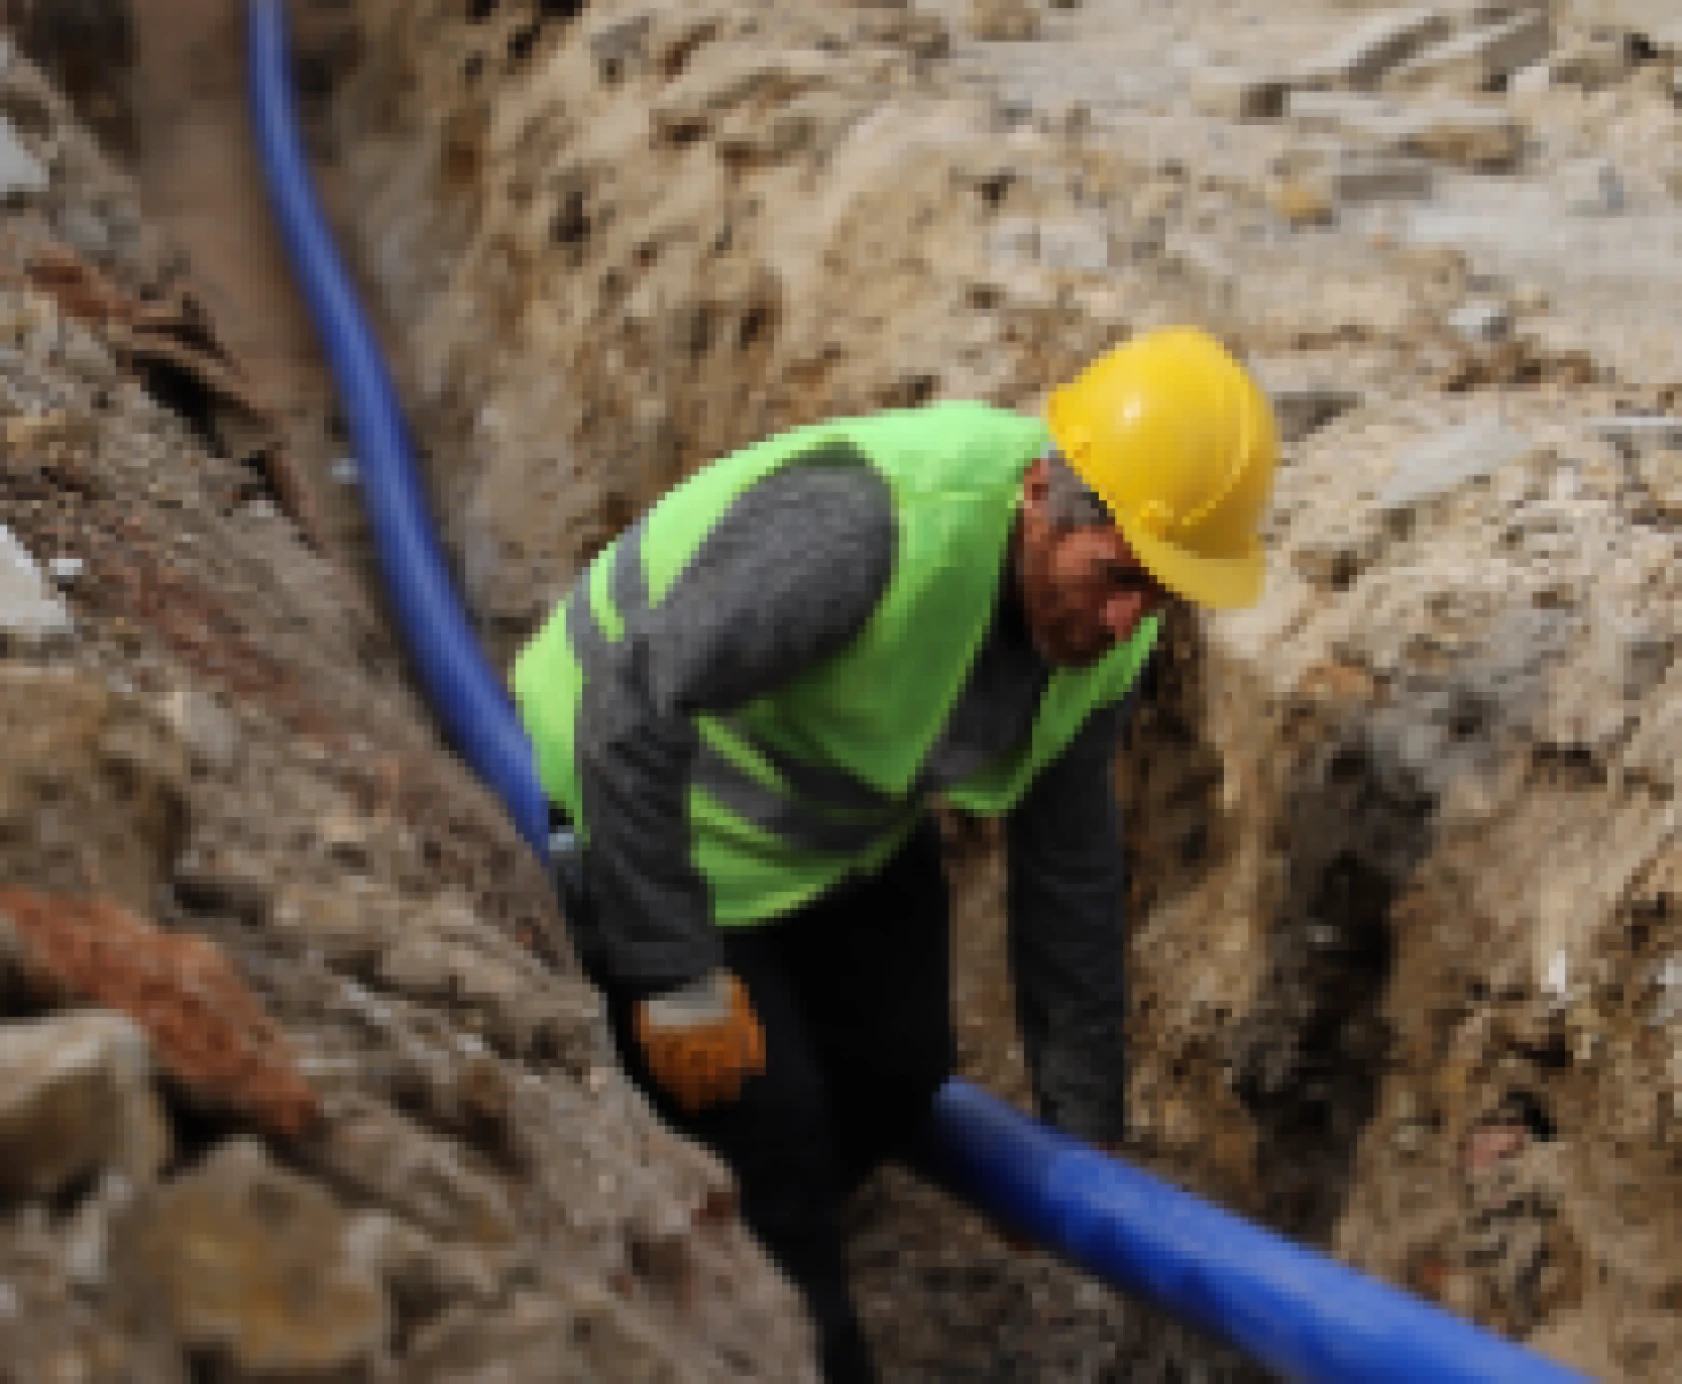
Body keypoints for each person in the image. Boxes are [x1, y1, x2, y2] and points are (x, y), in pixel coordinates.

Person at [513, 326, 1279, 1381]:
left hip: (830, 824)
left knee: (900, 1070)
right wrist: (670, 969)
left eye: (1158, 590)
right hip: (640, 794)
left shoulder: (1115, 626)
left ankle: (775, 1191)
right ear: (1040, 492)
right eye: (1112, 575)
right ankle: (754, 1288)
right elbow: (629, 705)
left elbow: (1068, 858)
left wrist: (1076, 1125)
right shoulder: (861, 538)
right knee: (768, 1136)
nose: (1124, 618)